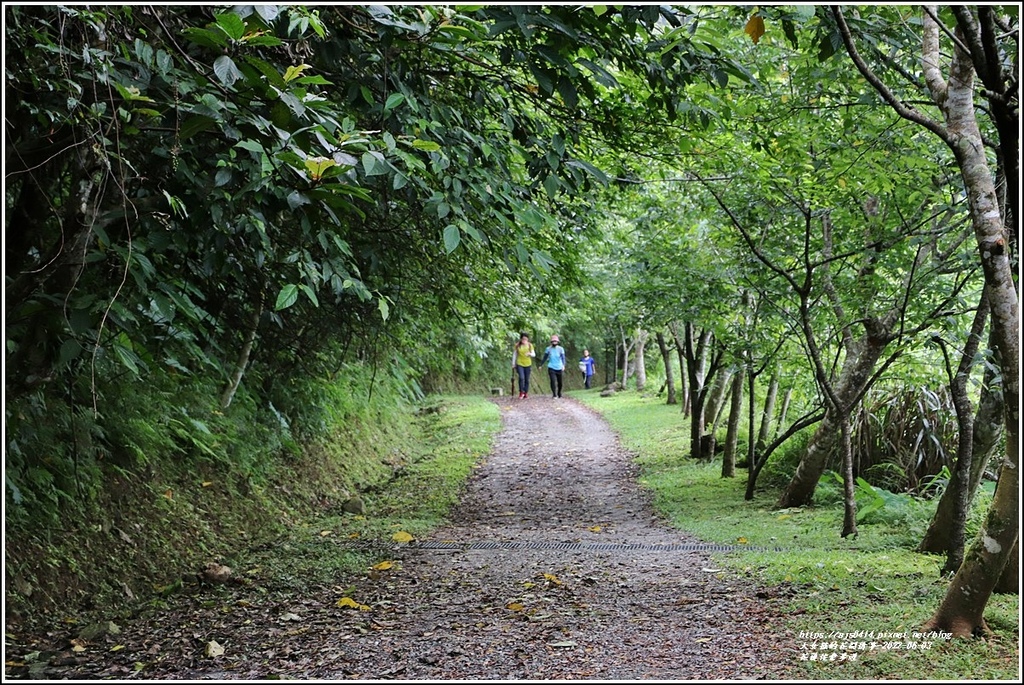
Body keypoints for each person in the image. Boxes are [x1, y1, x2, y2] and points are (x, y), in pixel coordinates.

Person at [512, 333, 535, 399]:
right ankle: (521, 392)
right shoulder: (517, 345)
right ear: (521, 339)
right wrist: (513, 363)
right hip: (520, 364)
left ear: (527, 339)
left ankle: (525, 392)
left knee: (527, 379)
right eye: (523, 339)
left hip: (528, 364)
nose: (524, 340)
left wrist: (529, 354)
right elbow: (514, 354)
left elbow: (534, 354)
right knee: (521, 378)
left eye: (526, 339)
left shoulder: (530, 345)